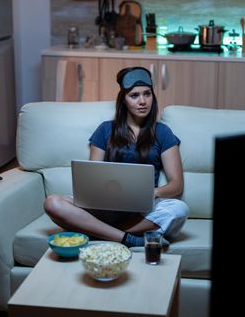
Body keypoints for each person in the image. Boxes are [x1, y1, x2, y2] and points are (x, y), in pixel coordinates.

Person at [44, 67, 189, 247]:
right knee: (53, 203)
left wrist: (154, 192)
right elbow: (93, 176)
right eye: (134, 95)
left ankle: (99, 232)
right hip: (104, 206)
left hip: (141, 210)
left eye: (147, 94)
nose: (143, 101)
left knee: (178, 209)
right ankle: (127, 239)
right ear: (123, 101)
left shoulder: (162, 132)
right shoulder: (105, 129)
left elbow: (177, 184)